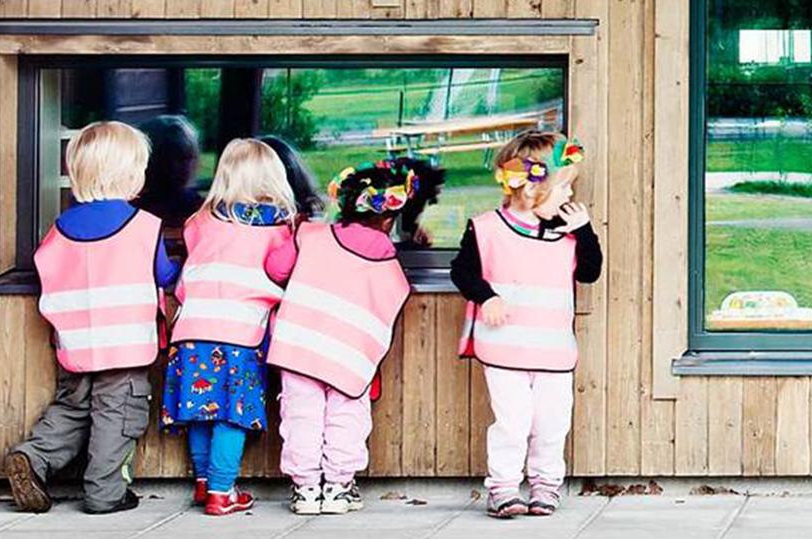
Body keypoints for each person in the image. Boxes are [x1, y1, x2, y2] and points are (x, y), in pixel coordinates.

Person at [5, 121, 179, 514]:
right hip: (125, 349)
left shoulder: (60, 228)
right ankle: (105, 493)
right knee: (117, 417)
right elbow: (164, 275)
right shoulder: (144, 226)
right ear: (132, 174)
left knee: (72, 409)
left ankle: (33, 457)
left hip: (76, 347)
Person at [265, 158, 441, 515]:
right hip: (350, 356)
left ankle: (306, 489)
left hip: (300, 348)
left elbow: (275, 268)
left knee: (301, 416)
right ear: (390, 217)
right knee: (346, 417)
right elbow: (391, 299)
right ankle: (338, 486)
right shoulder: (391, 264)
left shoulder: (310, 236)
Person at [450, 130, 602, 518]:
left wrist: (584, 231)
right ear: (533, 190)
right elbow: (462, 272)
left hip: (553, 353)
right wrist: (487, 296)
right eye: (563, 189)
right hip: (505, 351)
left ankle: (545, 487)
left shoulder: (567, 234)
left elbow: (589, 273)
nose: (569, 197)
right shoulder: (487, 228)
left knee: (552, 424)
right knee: (512, 423)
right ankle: (503, 488)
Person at [162, 138, 297, 516]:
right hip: (240, 334)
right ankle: (223, 492)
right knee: (230, 414)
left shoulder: (200, 221)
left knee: (199, 408)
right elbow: (282, 271)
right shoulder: (279, 226)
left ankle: (204, 484)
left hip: (189, 329)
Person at [136, 115, 204, 227]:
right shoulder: (136, 212)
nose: (184, 167)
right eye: (176, 158)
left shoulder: (197, 208)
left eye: (188, 158)